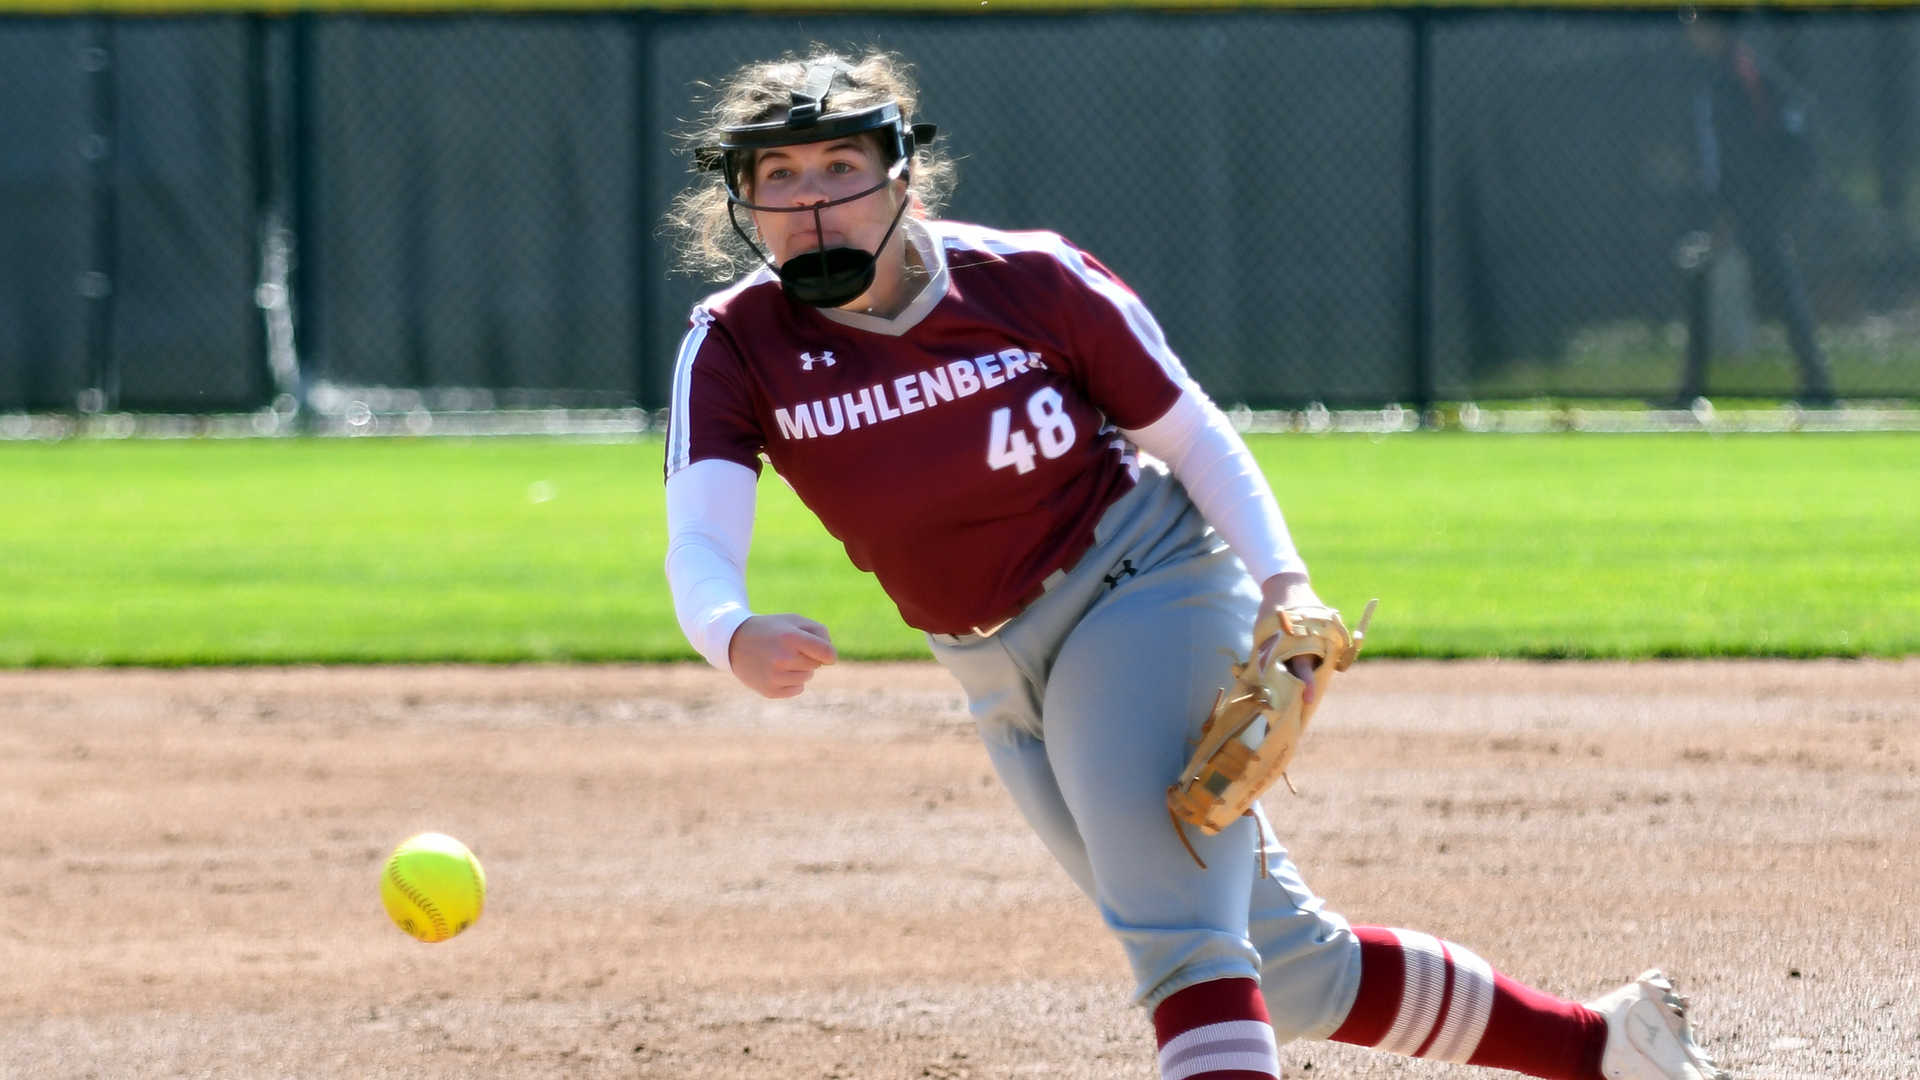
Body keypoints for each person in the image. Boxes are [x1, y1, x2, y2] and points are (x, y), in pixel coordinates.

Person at [663, 48, 1732, 1080]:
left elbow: (1193, 437)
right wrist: (731, 630)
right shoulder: (735, 342)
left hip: (1141, 589)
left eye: (840, 167)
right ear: (742, 203)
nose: (811, 202)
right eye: (779, 175)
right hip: (987, 667)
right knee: (1294, 972)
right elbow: (703, 538)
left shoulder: (1028, 280)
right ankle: (1605, 1049)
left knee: (1177, 937)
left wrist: (1286, 586)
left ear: (901, 173)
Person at [1680, 12, 1836, 407]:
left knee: (1780, 287)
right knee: (1704, 274)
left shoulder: (1741, 72)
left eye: (1697, 19)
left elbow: (1753, 150)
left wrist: (1734, 211)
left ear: (1717, 25)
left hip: (1753, 204)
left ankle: (1818, 389)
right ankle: (1690, 390)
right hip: (1735, 200)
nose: (1691, 29)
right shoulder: (1719, 72)